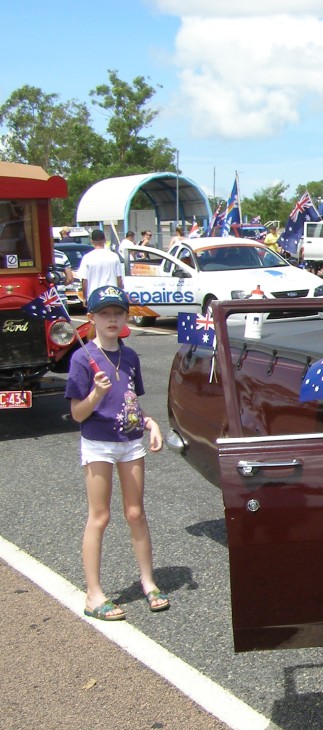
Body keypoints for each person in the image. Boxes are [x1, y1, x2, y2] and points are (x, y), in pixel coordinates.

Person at [65, 286, 168, 621]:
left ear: (127, 318)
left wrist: (150, 423)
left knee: (136, 513)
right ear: (91, 317)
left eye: (118, 313)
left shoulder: (131, 356)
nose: (112, 319)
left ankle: (148, 582)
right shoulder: (82, 358)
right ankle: (94, 595)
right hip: (98, 444)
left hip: (130, 442)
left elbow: (130, 403)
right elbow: (79, 414)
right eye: (104, 313)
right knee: (100, 516)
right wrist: (95, 394)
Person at [69, 228, 123, 299]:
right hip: (112, 295)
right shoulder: (114, 256)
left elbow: (84, 280)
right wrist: (120, 296)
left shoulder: (87, 258)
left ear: (91, 241)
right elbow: (119, 278)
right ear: (105, 240)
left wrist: (85, 298)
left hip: (94, 296)